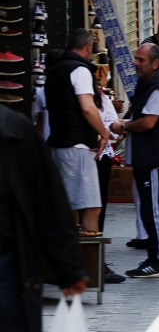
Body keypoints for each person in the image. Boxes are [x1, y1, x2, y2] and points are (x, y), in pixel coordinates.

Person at [0, 104, 89, 332]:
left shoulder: (15, 133)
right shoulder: (15, 130)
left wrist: (68, 266)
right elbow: (50, 203)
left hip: (6, 266)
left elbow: (47, 203)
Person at [111, 44, 159, 278]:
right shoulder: (149, 84)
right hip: (150, 156)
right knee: (153, 209)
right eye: (135, 59)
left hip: (154, 158)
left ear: (155, 63)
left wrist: (125, 125)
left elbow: (148, 122)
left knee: (154, 210)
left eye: (141, 60)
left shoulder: (158, 87)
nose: (136, 63)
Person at [44, 29, 109, 236]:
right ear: (88, 47)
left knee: (69, 208)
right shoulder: (79, 70)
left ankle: (70, 261)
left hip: (59, 146)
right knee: (91, 208)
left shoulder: (55, 71)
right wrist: (104, 133)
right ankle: (92, 264)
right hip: (77, 148)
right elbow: (88, 107)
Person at [92, 75, 126, 284]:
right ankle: (93, 261)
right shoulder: (93, 97)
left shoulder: (98, 97)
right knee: (94, 209)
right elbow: (113, 128)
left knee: (94, 209)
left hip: (95, 157)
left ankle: (94, 259)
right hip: (90, 156)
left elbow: (114, 126)